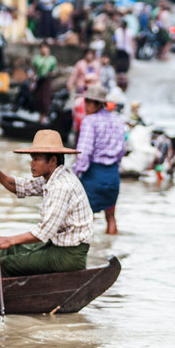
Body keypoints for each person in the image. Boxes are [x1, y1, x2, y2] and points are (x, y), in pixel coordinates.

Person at [0, 130, 93, 281]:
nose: (32, 164)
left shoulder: (61, 186)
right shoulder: (51, 178)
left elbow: (44, 232)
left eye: (36, 159)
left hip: (69, 255)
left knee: (6, 264)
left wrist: (9, 240)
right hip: (57, 247)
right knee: (7, 251)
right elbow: (18, 186)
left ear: (52, 161)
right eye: (32, 159)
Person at [73, 84, 126, 235]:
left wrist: (75, 174)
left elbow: (84, 153)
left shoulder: (90, 121)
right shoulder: (118, 121)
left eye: (88, 102)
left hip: (94, 176)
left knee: (82, 218)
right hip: (113, 176)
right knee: (111, 217)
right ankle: (108, 247)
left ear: (96, 104)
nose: (86, 105)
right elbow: (121, 151)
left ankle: (87, 253)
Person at [30, 43, 58, 114]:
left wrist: (50, 73)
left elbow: (54, 71)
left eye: (45, 47)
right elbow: (34, 71)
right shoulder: (37, 59)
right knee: (38, 99)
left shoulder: (52, 59)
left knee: (45, 99)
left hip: (47, 81)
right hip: (39, 80)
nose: (43, 49)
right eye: (42, 47)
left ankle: (44, 116)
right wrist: (32, 83)